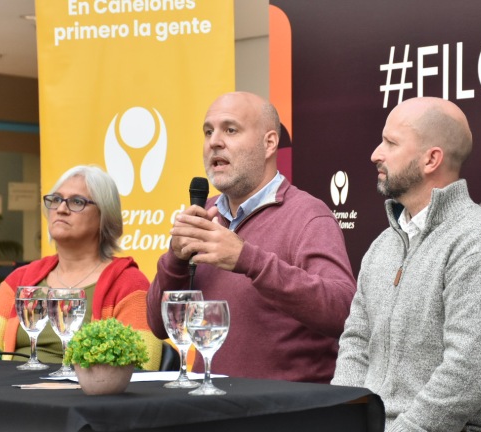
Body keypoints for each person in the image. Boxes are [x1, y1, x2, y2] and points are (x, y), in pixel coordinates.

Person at [332, 96, 481, 431]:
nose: (375, 154)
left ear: (431, 159)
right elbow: (355, 343)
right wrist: (345, 420)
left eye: (391, 143)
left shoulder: (480, 246)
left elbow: (468, 376)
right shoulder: (383, 246)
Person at [146, 91, 356, 383]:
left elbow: (343, 310)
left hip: (282, 411)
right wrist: (175, 260)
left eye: (230, 130)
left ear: (269, 143)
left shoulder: (308, 215)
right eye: (208, 131)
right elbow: (158, 326)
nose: (214, 141)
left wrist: (248, 259)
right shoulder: (204, 216)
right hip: (208, 407)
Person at [0, 165, 161, 370]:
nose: (61, 209)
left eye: (77, 201)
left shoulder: (129, 284)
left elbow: (141, 367)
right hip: (9, 393)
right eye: (56, 199)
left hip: (81, 398)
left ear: (105, 216)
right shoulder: (21, 279)